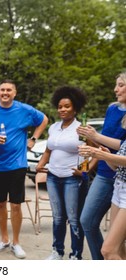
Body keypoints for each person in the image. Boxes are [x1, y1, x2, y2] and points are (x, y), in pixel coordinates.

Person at [0, 79, 48, 259]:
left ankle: (16, 242)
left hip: (17, 165)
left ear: (14, 93)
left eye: (9, 90)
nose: (5, 93)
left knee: (15, 204)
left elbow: (44, 119)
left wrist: (34, 139)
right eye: (2, 90)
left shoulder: (24, 110)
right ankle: (4, 239)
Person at [76, 72, 126, 259]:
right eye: (116, 85)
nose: (115, 89)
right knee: (87, 221)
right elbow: (114, 146)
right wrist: (92, 141)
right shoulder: (112, 109)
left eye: (121, 85)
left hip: (119, 172)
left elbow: (122, 147)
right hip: (109, 171)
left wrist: (97, 141)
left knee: (112, 246)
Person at [35, 86, 88, 260]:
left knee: (73, 218)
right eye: (60, 106)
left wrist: (84, 172)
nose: (62, 109)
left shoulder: (81, 129)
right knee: (58, 217)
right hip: (53, 177)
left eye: (67, 106)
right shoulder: (54, 127)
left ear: (75, 107)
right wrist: (40, 165)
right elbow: (49, 150)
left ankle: (76, 255)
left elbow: (93, 152)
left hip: (72, 178)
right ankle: (57, 251)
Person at [78, 143, 126, 260]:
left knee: (108, 250)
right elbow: (116, 167)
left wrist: (101, 155)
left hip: (120, 188)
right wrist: (106, 155)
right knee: (118, 249)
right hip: (118, 186)